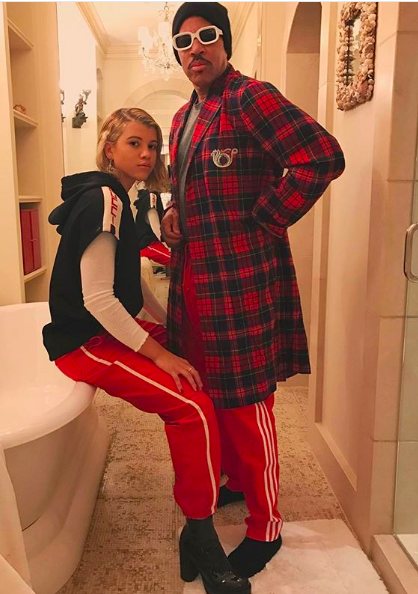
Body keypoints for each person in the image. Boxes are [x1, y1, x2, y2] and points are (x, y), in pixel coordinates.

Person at [161, 2, 346, 579]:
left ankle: (267, 526)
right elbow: (184, 184)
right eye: (183, 42)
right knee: (209, 396)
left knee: (247, 406)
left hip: (240, 283)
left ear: (225, 42)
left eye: (205, 36)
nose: (194, 49)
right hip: (193, 283)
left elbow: (322, 157)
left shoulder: (250, 97)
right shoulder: (182, 117)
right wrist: (171, 212)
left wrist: (265, 219)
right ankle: (237, 482)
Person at [42, 107, 251, 594]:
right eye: (134, 143)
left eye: (153, 146)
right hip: (83, 342)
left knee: (197, 363)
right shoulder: (103, 200)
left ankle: (215, 479)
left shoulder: (116, 196)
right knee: (191, 408)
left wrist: (168, 328)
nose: (146, 154)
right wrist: (159, 354)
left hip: (104, 329)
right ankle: (199, 535)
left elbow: (128, 283)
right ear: (109, 147)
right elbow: (98, 300)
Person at [134, 186, 171, 267]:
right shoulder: (151, 197)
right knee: (177, 261)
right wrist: (168, 245)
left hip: (152, 243)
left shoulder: (152, 196)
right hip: (147, 245)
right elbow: (156, 228)